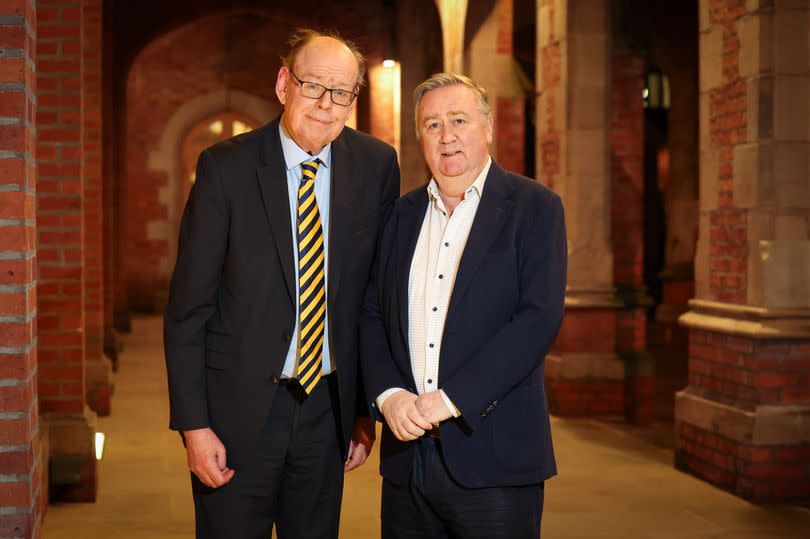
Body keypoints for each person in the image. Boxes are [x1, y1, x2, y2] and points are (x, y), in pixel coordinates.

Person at [164, 28, 400, 539]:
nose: (326, 103)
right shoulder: (225, 167)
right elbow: (189, 309)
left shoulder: (376, 166)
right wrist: (194, 426)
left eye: (342, 92)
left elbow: (369, 299)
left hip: (326, 411)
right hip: (236, 416)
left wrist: (362, 408)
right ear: (283, 84)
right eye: (313, 85)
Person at [360, 72, 567, 538]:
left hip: (494, 459)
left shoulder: (535, 208)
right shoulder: (399, 216)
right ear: (420, 138)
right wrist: (388, 395)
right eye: (432, 124)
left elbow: (537, 320)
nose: (447, 136)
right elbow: (372, 312)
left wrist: (451, 400)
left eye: (459, 120)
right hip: (406, 460)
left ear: (488, 128)